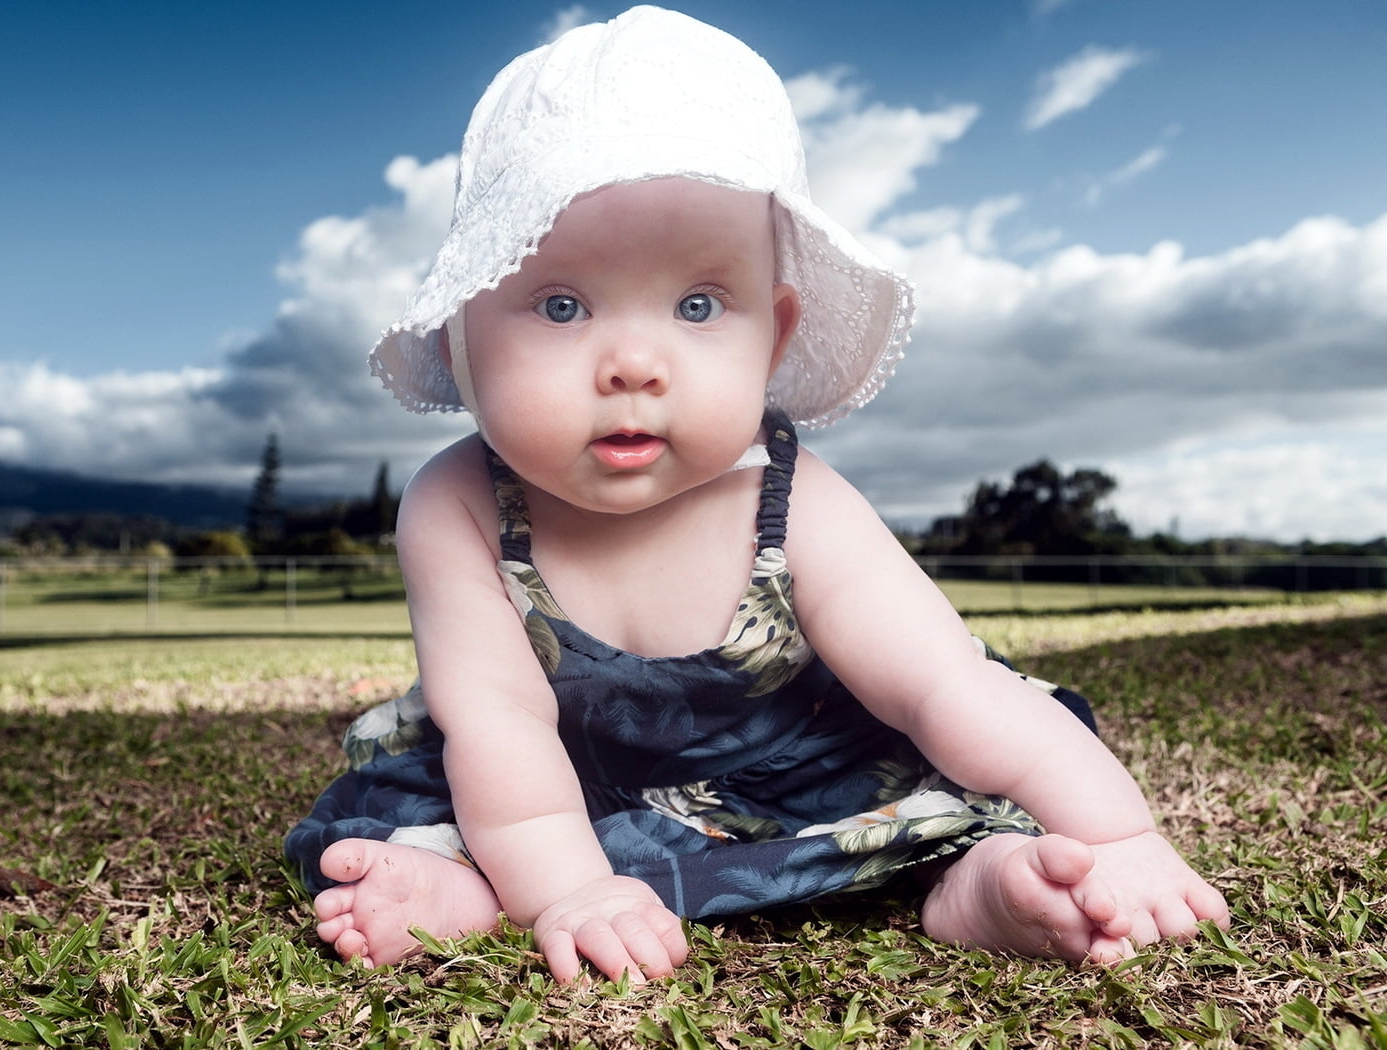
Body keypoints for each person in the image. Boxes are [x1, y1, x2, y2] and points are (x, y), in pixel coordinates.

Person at [285, 5, 1228, 986]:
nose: (634, 364)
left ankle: (977, 883)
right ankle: (473, 894)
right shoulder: (460, 502)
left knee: (981, 772)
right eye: (561, 306)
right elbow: (501, 728)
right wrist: (570, 892)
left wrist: (1120, 833)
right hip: (539, 786)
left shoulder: (793, 498)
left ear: (773, 339)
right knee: (406, 810)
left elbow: (945, 685)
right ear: (458, 338)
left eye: (698, 306)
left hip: (804, 773)